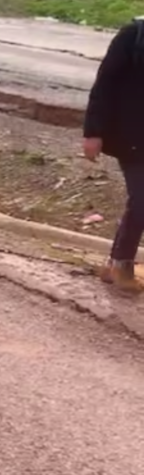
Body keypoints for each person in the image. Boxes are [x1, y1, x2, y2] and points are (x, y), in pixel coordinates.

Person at [84, 17, 144, 293]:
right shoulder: (134, 34)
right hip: (132, 135)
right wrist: (93, 132)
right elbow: (105, 83)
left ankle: (116, 264)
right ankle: (121, 264)